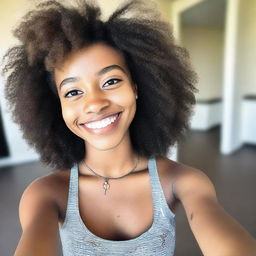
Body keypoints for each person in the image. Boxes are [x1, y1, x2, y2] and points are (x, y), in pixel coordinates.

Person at [2, 0, 256, 255]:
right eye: (73, 92)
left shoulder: (183, 182)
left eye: (111, 81)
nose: (95, 104)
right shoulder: (46, 194)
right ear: (56, 106)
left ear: (136, 87)